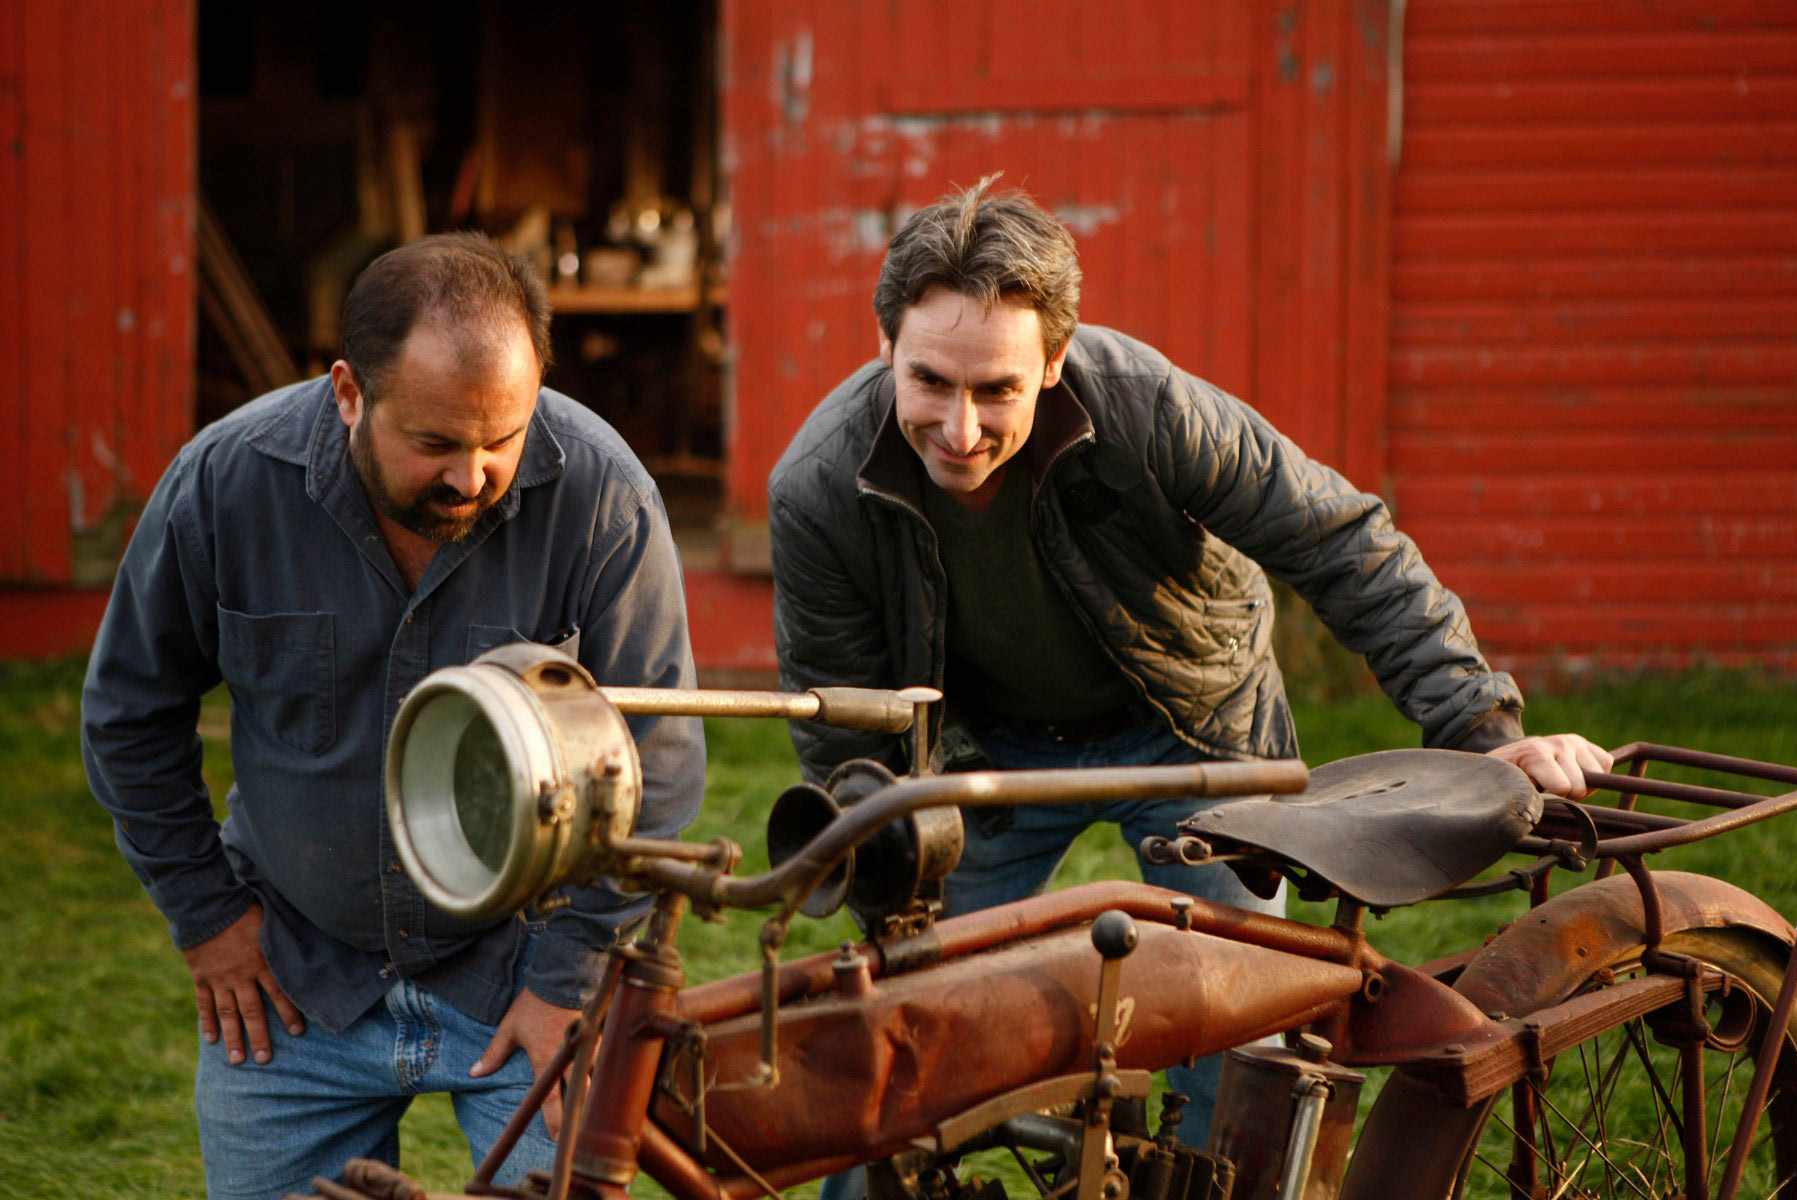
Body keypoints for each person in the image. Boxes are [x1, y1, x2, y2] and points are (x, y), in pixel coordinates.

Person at [768, 178, 1611, 1154]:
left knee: (1240, 1037)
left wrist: (1475, 730)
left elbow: (1340, 543)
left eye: (996, 389)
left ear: (1054, 364)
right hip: (987, 753)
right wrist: (885, 879)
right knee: (909, 1038)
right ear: (886, 352)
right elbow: (850, 724)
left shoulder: (1148, 408)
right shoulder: (819, 486)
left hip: (1192, 731)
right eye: (930, 384)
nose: (961, 431)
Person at [81, 232, 705, 1197]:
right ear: (348, 393)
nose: (472, 476)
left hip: (522, 975)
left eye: (504, 439)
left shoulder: (602, 493)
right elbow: (127, 714)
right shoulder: (225, 483)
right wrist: (208, 921)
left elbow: (660, 763)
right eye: (436, 444)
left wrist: (565, 979)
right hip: (292, 982)